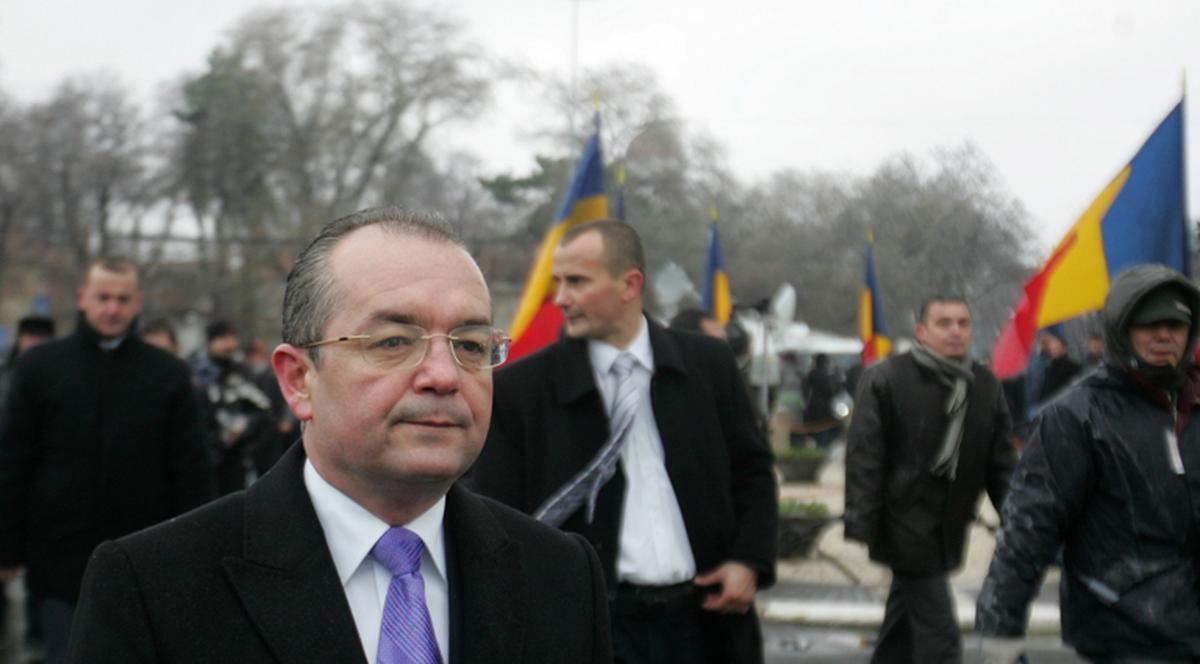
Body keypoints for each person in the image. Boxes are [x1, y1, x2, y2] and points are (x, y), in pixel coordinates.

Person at [66, 207, 612, 663]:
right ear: (299, 380)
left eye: (469, 345)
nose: (444, 376)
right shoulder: (153, 588)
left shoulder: (562, 576)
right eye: (394, 341)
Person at [469, 219, 777, 664]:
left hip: (703, 623)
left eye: (577, 281)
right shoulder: (523, 388)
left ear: (629, 284)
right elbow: (497, 512)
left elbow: (752, 471)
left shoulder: (708, 364)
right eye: (559, 282)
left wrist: (749, 561)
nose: (561, 299)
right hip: (593, 630)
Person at [975, 264, 1200, 663]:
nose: (1164, 335)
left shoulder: (1193, 410)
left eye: (1175, 324)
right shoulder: (1077, 417)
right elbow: (1024, 539)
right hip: (1120, 644)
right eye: (1149, 324)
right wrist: (999, 646)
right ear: (1120, 328)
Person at [0, 258, 213, 664]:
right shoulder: (39, 368)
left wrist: (200, 547)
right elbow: (13, 462)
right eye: (103, 297)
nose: (112, 308)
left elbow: (191, 468)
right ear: (83, 299)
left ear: (137, 303)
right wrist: (6, 548)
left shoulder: (167, 374)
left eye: (122, 299)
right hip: (58, 560)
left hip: (147, 560)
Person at [844, 294, 1016, 663]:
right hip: (902, 524)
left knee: (901, 627)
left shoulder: (985, 385)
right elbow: (865, 455)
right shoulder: (887, 378)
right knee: (940, 638)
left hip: (950, 523)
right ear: (921, 331)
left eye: (963, 323)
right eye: (944, 323)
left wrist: (1019, 520)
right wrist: (862, 520)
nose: (955, 331)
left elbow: (1000, 462)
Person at [194, 320, 274, 495]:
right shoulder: (198, 374)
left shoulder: (242, 371)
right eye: (223, 338)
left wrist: (244, 428)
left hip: (237, 457)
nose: (229, 343)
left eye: (231, 337)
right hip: (206, 456)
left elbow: (262, 408)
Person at [1033, 325, 1080, 406]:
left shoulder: (1073, 367)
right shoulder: (1048, 369)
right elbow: (1044, 395)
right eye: (1052, 348)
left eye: (1056, 347)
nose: (1053, 348)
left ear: (1064, 348)